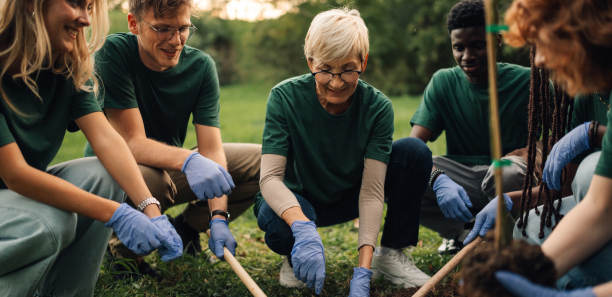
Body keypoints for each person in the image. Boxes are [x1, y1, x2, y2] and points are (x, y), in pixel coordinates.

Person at [0, 0, 183, 295]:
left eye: (88, 7)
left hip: (11, 200)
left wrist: (151, 211)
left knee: (104, 173)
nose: (85, 19)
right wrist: (116, 214)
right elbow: (15, 174)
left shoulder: (66, 63)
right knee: (51, 221)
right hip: (10, 194)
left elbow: (106, 139)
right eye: (75, 4)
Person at [255, 8, 433, 295]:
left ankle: (388, 256)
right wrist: (302, 227)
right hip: (296, 201)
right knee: (280, 228)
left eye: (348, 70)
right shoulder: (283, 97)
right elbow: (270, 180)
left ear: (364, 61)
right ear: (311, 61)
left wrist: (362, 271)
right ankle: (294, 253)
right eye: (325, 69)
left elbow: (373, 191)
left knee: (413, 151)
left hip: (349, 196)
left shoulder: (377, 107)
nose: (336, 83)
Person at [83, 0, 261, 279]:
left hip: (168, 168)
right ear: (134, 24)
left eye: (183, 28)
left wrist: (218, 216)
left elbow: (212, 149)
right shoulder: (114, 52)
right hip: (114, 171)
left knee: (259, 162)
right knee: (154, 180)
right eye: (163, 29)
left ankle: (189, 228)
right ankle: (123, 254)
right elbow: (131, 142)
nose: (175, 40)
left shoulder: (201, 66)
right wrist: (189, 160)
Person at [489, 0, 612, 296]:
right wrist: (531, 275)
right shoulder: (589, 93)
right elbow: (600, 207)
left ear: (582, 29)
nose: (539, 60)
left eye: (544, 42)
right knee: (530, 229)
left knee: (585, 267)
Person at [410, 0, 533, 254]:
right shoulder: (443, 82)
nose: (467, 56)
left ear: (498, 40)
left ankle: (513, 236)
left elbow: (563, 136)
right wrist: (438, 179)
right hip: (460, 178)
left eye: (478, 45)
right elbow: (413, 150)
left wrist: (528, 151)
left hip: (509, 176)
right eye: (459, 47)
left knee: (506, 173)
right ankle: (463, 231)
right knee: (396, 169)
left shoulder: (526, 81)